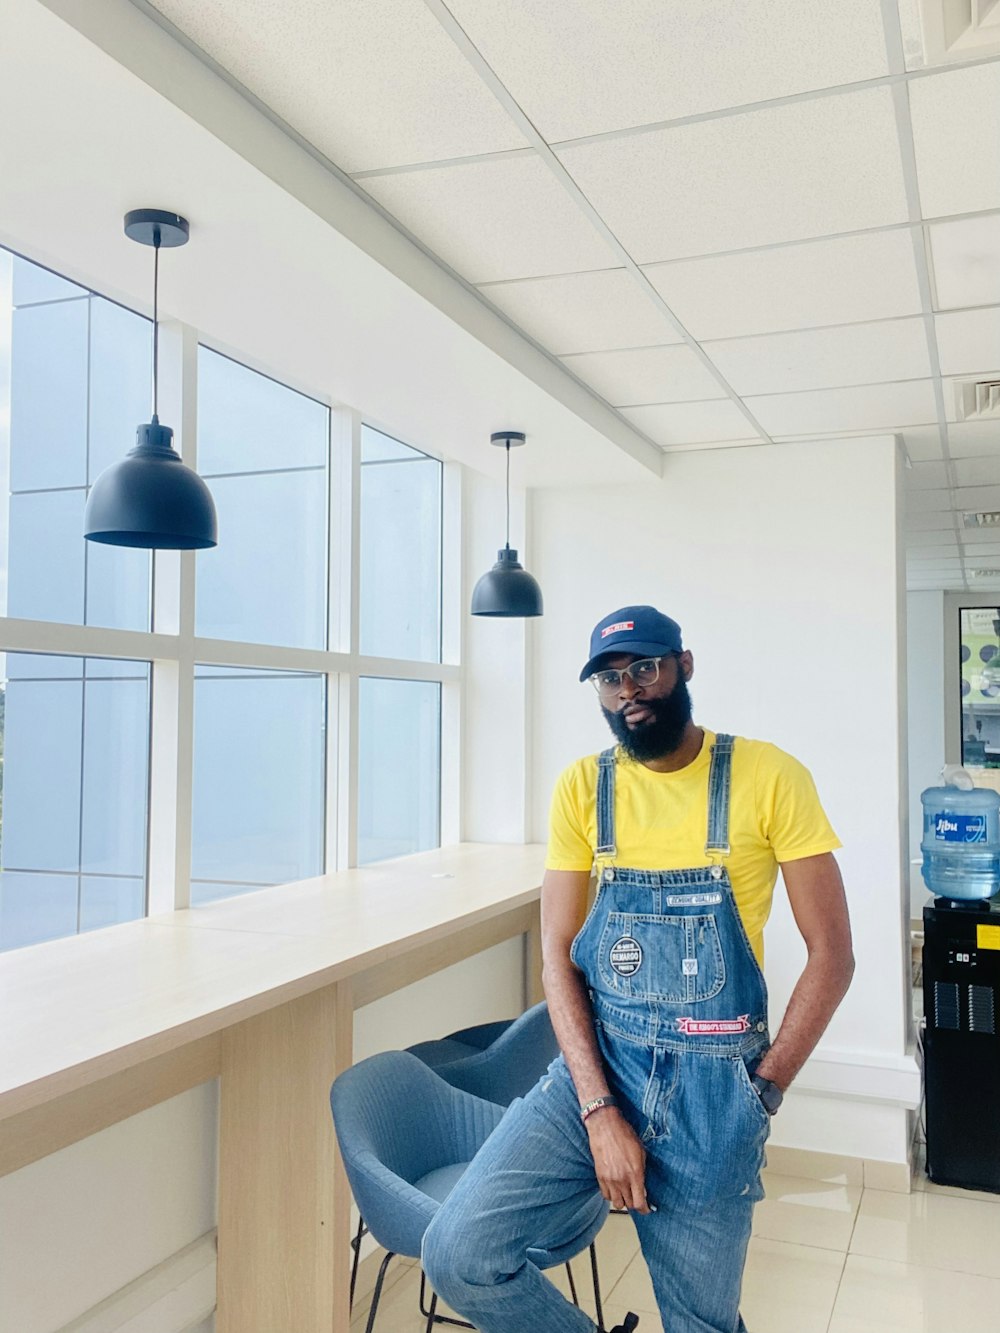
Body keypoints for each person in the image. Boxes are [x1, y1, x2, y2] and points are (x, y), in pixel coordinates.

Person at [423, 605, 854, 1333]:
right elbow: (556, 955)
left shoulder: (769, 775)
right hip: (597, 1072)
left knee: (699, 1324)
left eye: (645, 668)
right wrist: (597, 1109)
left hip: (715, 1097)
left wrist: (764, 1090)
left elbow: (833, 955)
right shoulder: (582, 790)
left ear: (684, 664)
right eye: (610, 679)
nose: (629, 690)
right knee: (458, 1251)